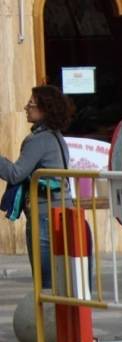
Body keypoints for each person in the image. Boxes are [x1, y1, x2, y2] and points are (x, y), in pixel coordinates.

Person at [0, 85, 74, 289]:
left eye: (31, 104)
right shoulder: (56, 137)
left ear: (44, 109)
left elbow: (16, 173)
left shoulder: (39, 139)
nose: (26, 107)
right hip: (60, 212)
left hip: (45, 215)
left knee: (46, 283)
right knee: (60, 279)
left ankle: (49, 320)